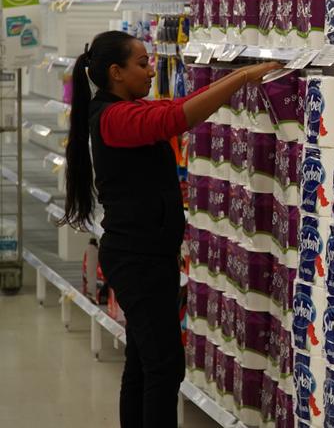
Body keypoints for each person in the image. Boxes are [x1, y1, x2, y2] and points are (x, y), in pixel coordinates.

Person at [59, 30, 281, 428]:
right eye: (143, 63)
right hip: (137, 260)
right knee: (163, 367)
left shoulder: (121, 109)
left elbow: (175, 105)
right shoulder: (115, 117)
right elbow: (177, 117)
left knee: (143, 363)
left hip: (145, 255)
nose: (150, 69)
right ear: (116, 72)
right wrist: (242, 77)